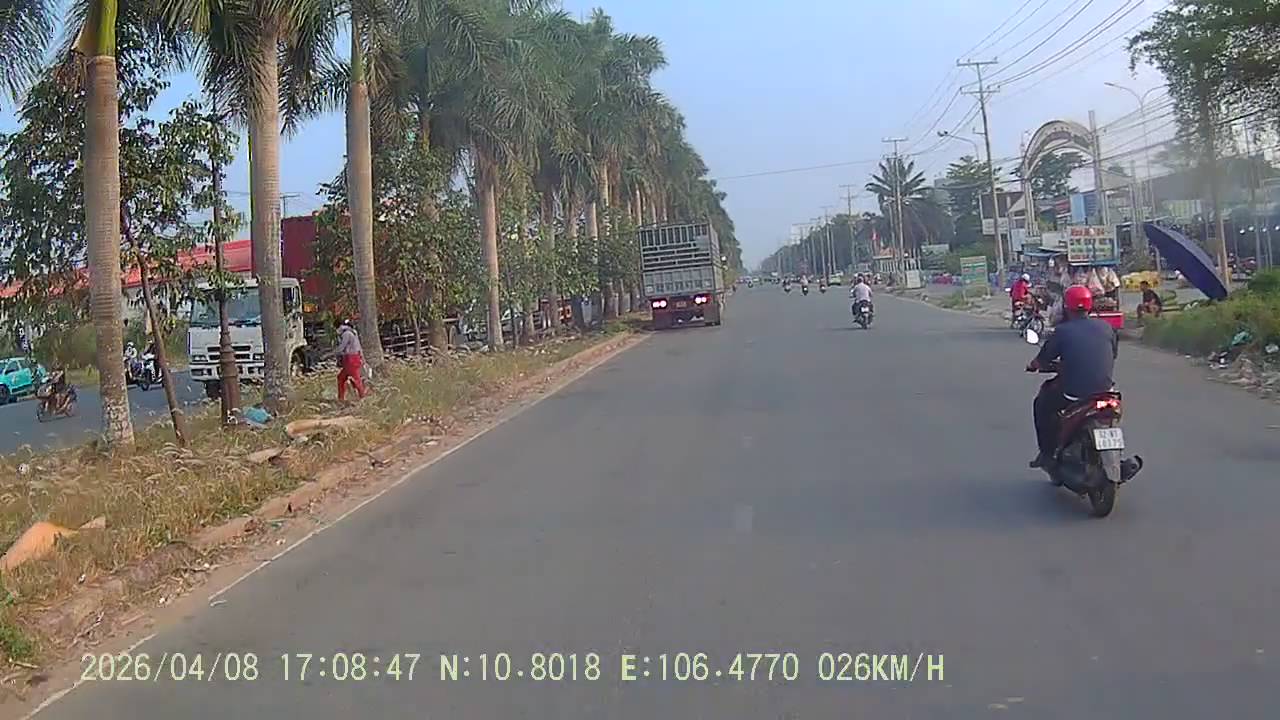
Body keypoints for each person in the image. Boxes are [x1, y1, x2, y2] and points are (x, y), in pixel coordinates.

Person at [1026, 285, 1118, 469]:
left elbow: (1042, 360)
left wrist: (1034, 365)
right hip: (1106, 391)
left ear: (1066, 307)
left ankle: (1046, 453)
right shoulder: (1107, 327)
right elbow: (1113, 354)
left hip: (1075, 394)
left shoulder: (1062, 331)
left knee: (1042, 404)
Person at [336, 319, 368, 401]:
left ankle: (361, 397)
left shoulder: (346, 334)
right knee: (344, 378)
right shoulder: (353, 332)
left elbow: (342, 347)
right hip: (355, 358)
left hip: (350, 359)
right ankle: (359, 396)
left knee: (355, 379)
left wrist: (333, 353)